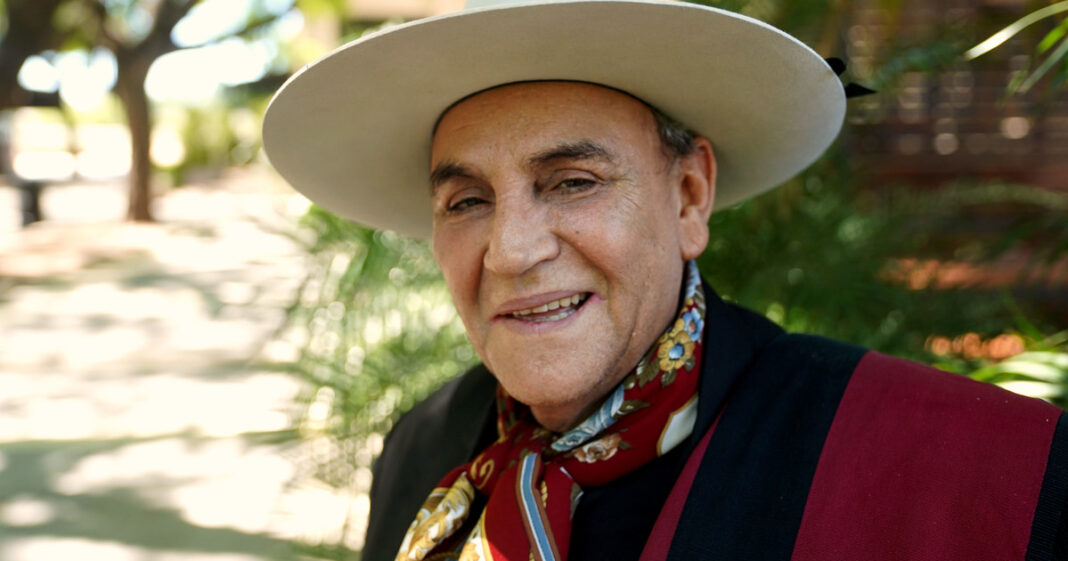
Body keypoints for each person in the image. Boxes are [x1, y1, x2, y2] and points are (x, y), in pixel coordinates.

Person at [262, 1, 1068, 560]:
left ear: (689, 196)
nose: (508, 250)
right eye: (467, 199)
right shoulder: (421, 450)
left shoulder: (969, 471)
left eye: (572, 181)